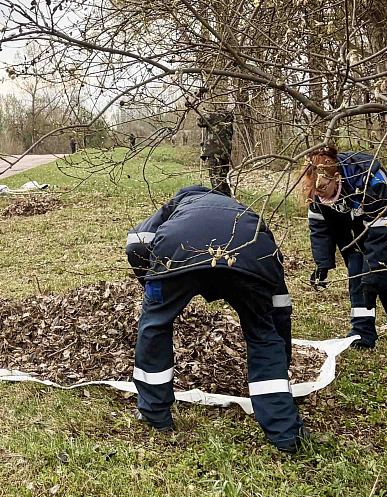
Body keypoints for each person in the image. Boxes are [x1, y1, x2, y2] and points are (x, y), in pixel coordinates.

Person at [125, 185, 304, 453]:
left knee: (155, 325)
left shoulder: (175, 206)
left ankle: (154, 414)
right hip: (246, 256)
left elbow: (136, 244)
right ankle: (285, 434)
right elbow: (279, 301)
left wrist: (153, 286)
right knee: (263, 334)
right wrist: (281, 353)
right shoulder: (244, 214)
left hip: (178, 254)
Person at [303, 144, 387, 355]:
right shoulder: (317, 185)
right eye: (314, 190)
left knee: (384, 276)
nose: (318, 195)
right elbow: (319, 228)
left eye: (322, 189)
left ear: (337, 177)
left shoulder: (372, 182)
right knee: (357, 272)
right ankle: (361, 333)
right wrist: (322, 264)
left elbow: (382, 237)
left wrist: (373, 271)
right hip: (367, 230)